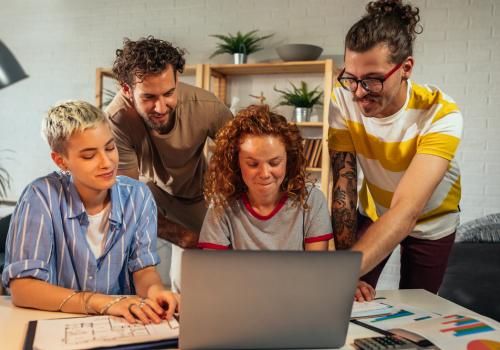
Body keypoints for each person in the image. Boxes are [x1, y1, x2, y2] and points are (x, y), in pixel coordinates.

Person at [329, 0, 463, 293]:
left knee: (418, 306)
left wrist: (336, 276)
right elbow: (344, 189)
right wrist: (343, 269)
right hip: (375, 210)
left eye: (373, 81)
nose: (359, 93)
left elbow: (407, 210)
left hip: (431, 221)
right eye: (352, 78)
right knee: (349, 297)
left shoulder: (440, 113)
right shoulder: (342, 99)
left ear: (406, 68)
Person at [2, 101, 177, 324]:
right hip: (55, 326)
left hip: (120, 327)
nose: (107, 162)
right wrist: (103, 303)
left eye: (110, 147)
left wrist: (155, 292)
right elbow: (23, 288)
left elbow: (143, 270)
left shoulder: (138, 196)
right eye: (89, 156)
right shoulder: (40, 197)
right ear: (61, 160)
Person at [199, 104, 375, 301]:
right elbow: (213, 278)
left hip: (296, 301)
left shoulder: (311, 200)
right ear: (235, 162)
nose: (265, 174)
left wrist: (341, 282)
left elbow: (315, 271)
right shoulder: (222, 206)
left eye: (274, 163)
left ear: (288, 160)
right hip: (242, 302)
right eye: (252, 164)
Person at [106, 36, 233, 291]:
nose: (161, 107)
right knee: (181, 286)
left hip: (199, 193)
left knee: (215, 280)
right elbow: (127, 199)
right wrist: (183, 237)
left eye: (168, 93)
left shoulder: (206, 107)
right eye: (149, 97)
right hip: (151, 192)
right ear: (126, 89)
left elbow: (242, 162)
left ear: (176, 80)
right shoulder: (117, 118)